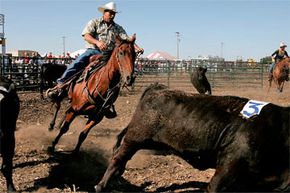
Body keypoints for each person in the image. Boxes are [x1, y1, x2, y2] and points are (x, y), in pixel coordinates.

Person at [47, 1, 143, 99]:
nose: (112, 15)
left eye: (114, 13)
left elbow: (126, 39)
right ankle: (60, 84)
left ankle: (109, 100)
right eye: (110, 13)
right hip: (93, 50)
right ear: (104, 12)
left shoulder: (118, 28)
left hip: (109, 54)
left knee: (119, 69)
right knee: (79, 62)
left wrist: (137, 48)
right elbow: (86, 35)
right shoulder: (95, 22)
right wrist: (97, 42)